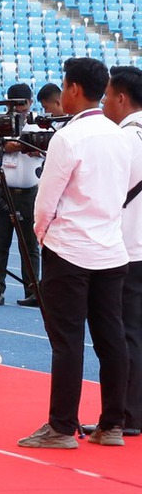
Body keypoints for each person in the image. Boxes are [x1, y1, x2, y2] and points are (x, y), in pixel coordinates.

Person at [19, 57, 138, 449]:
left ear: (72, 89)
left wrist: (42, 234)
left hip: (70, 248)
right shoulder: (119, 135)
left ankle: (60, 426)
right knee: (111, 340)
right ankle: (113, 424)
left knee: (67, 340)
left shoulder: (68, 138)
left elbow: (46, 199)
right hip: (110, 249)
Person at [106, 66, 142, 436]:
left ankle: (129, 414)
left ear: (121, 98)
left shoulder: (124, 139)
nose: (103, 103)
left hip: (130, 246)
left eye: (106, 96)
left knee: (126, 332)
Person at [0, 82, 45, 308]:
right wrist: (4, 147)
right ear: (8, 103)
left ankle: (33, 291)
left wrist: (27, 148)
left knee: (29, 245)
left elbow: (49, 151)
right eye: (15, 104)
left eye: (24, 104)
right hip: (1, 192)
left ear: (31, 102)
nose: (20, 109)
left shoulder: (39, 126)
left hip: (29, 193)